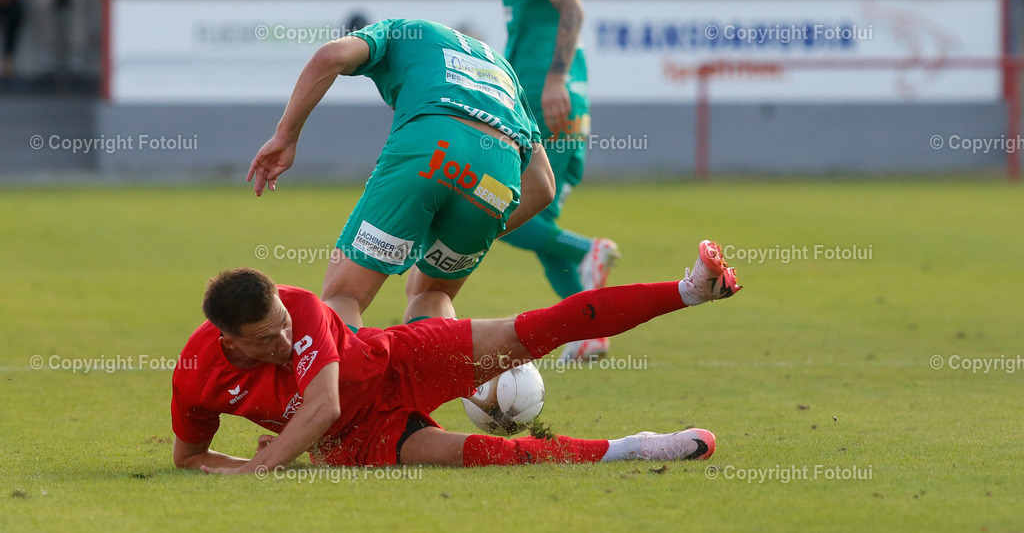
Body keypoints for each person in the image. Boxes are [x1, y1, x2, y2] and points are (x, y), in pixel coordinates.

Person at [171, 243, 741, 472]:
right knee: (492, 454)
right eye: (267, 340)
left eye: (284, 328)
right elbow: (189, 457)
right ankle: (637, 449)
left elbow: (322, 403)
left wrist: (264, 465)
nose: (283, 341)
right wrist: (238, 467)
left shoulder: (300, 307)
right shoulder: (197, 377)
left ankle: (692, 289)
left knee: (535, 329)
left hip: (398, 360)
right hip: (360, 438)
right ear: (229, 338)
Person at [247, 18, 555, 329]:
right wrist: (467, 231)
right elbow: (543, 186)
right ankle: (437, 376)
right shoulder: (502, 70)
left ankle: (344, 377)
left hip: (432, 148)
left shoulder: (403, 30)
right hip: (499, 174)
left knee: (346, 294)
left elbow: (331, 57)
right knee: (433, 294)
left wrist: (285, 137)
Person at [485, 0, 619, 363]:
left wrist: (556, 80)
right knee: (537, 221)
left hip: (547, 97)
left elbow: (572, 8)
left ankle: (588, 253)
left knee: (503, 217)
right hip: (546, 94)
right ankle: (589, 328)